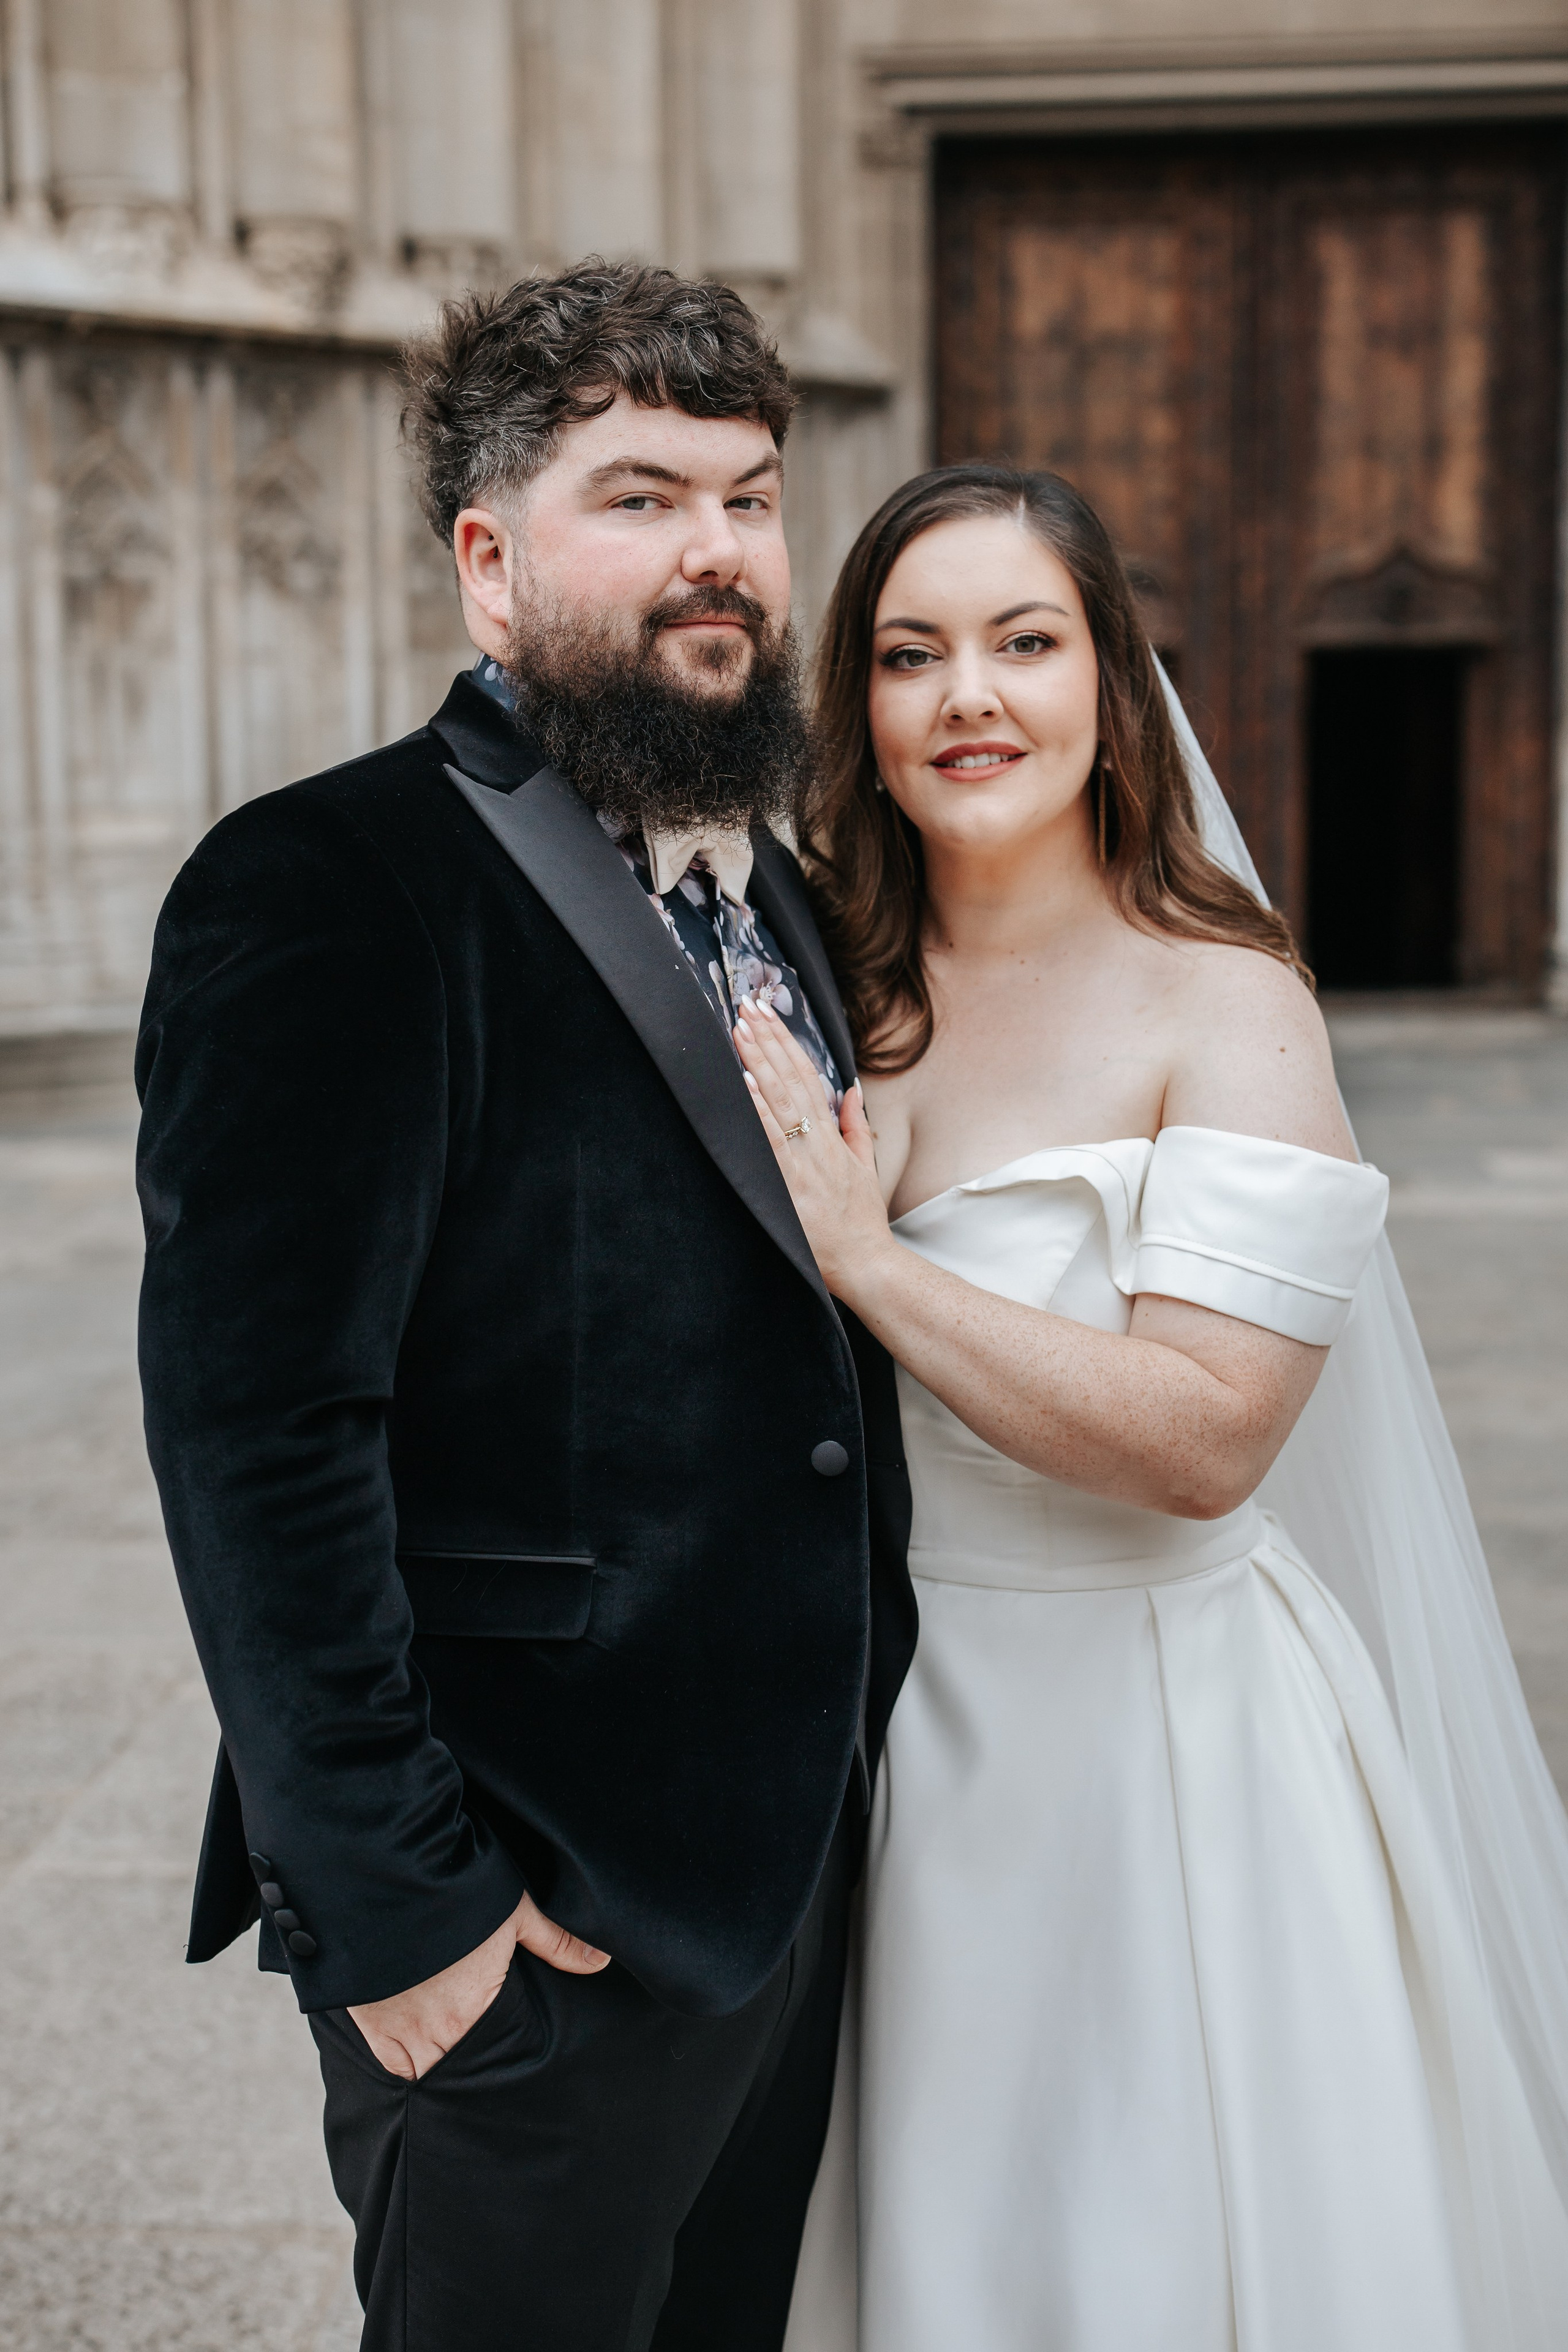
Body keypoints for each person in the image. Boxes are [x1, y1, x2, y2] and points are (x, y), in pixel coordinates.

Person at [134, 260, 916, 2352]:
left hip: (780, 1885)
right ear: (490, 562)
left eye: (751, 497)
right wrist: (416, 1920)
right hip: (523, 1922)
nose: (720, 553)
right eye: (642, 496)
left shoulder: (784, 900)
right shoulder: (329, 885)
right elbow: (259, 1437)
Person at [741, 464, 1568, 2350]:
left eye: (1025, 643)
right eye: (909, 652)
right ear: (857, 712)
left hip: (1171, 1741)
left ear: (1113, 690)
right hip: (902, 1746)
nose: (970, 695)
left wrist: (879, 1267)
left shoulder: (1226, 1003)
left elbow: (1212, 1438)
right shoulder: (821, 998)